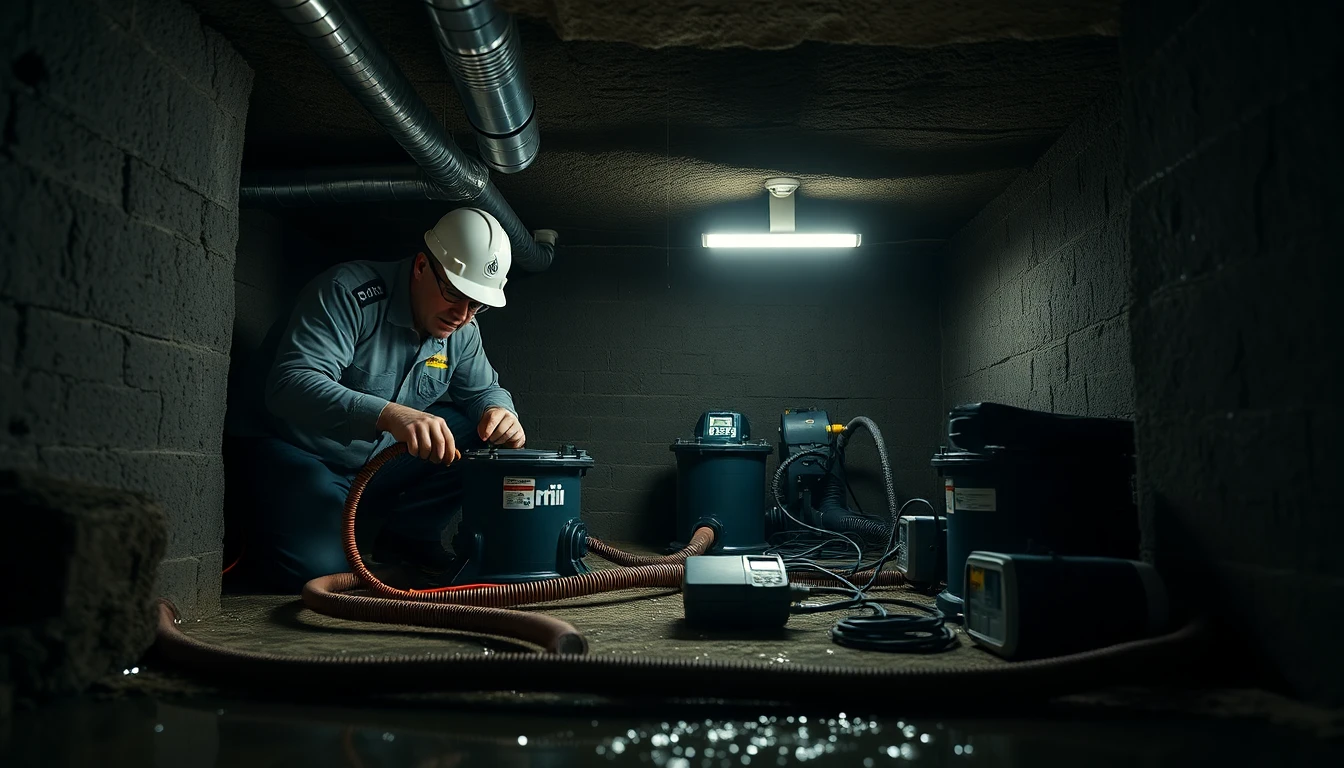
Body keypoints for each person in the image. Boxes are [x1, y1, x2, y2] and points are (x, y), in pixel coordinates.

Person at [227, 208, 529, 592]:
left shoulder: (463, 328)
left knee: (478, 434)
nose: (462, 315)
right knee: (317, 575)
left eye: (476, 305)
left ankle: (408, 540)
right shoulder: (348, 293)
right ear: (421, 266)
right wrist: (388, 414)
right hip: (299, 450)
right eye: (454, 293)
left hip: (373, 464)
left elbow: (485, 391)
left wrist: (501, 412)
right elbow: (291, 383)